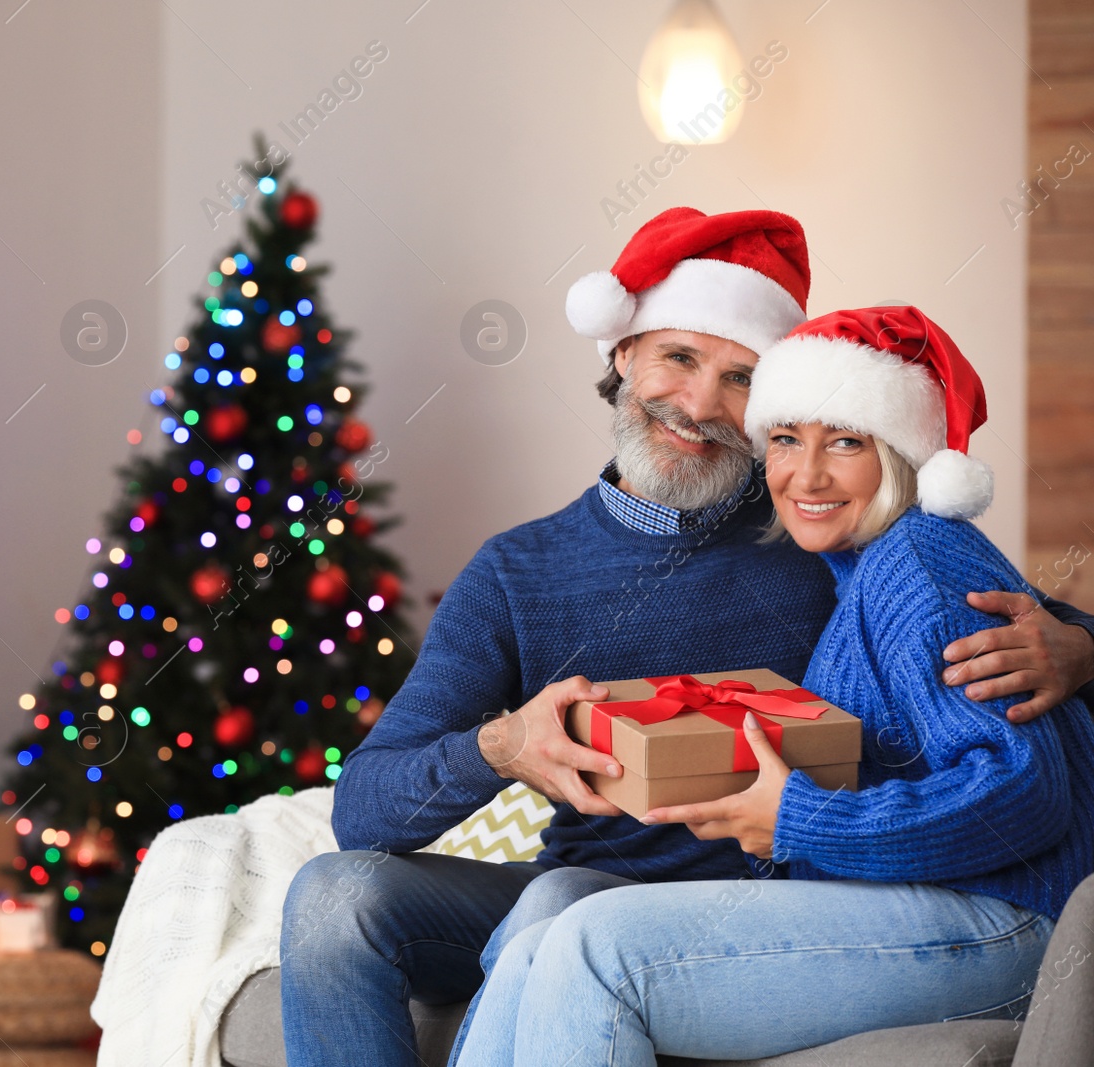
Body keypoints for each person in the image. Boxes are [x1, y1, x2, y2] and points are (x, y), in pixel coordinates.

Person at [279, 209, 1094, 1067]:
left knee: (557, 908)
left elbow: (980, 615)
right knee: (338, 898)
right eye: (678, 357)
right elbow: (363, 808)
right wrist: (503, 746)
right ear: (623, 352)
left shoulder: (814, 523)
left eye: (741, 379)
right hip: (605, 881)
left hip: (776, 883)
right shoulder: (517, 570)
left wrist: (1081, 649)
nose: (700, 403)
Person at [451, 306, 1094, 1066]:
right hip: (910, 901)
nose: (806, 475)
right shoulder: (855, 561)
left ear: (899, 455)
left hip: (1004, 920)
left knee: (595, 948)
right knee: (540, 938)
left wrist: (799, 817)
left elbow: (1024, 792)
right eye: (786, 439)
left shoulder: (917, 560)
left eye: (846, 442)